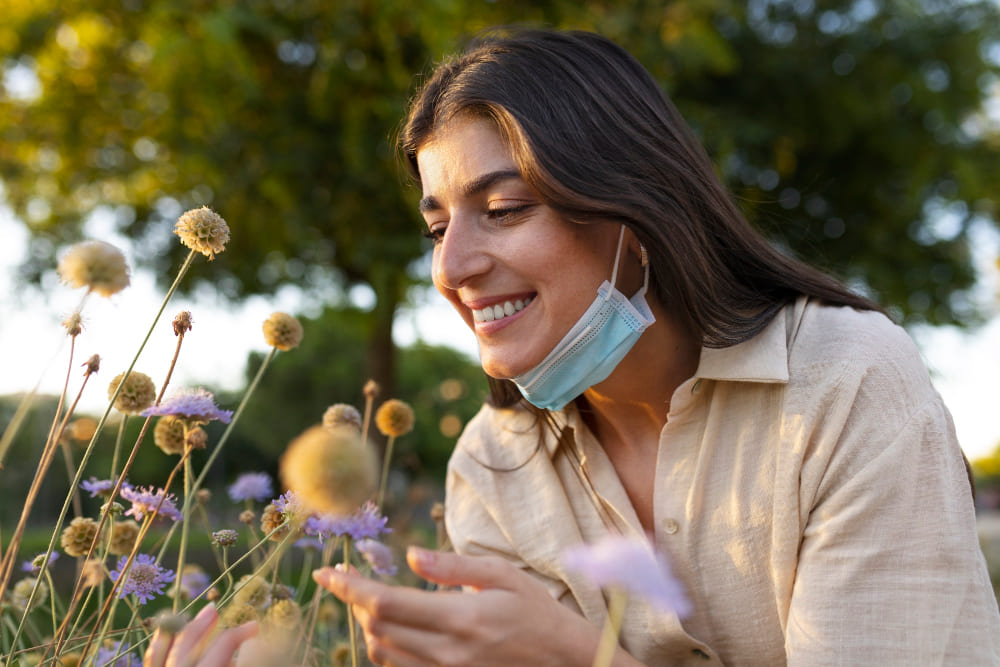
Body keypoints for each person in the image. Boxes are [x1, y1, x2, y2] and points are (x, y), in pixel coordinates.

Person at [310, 27, 1000, 665]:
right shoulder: (492, 465)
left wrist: (581, 656)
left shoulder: (845, 384)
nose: (451, 268)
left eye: (504, 210)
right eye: (437, 229)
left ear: (637, 211)